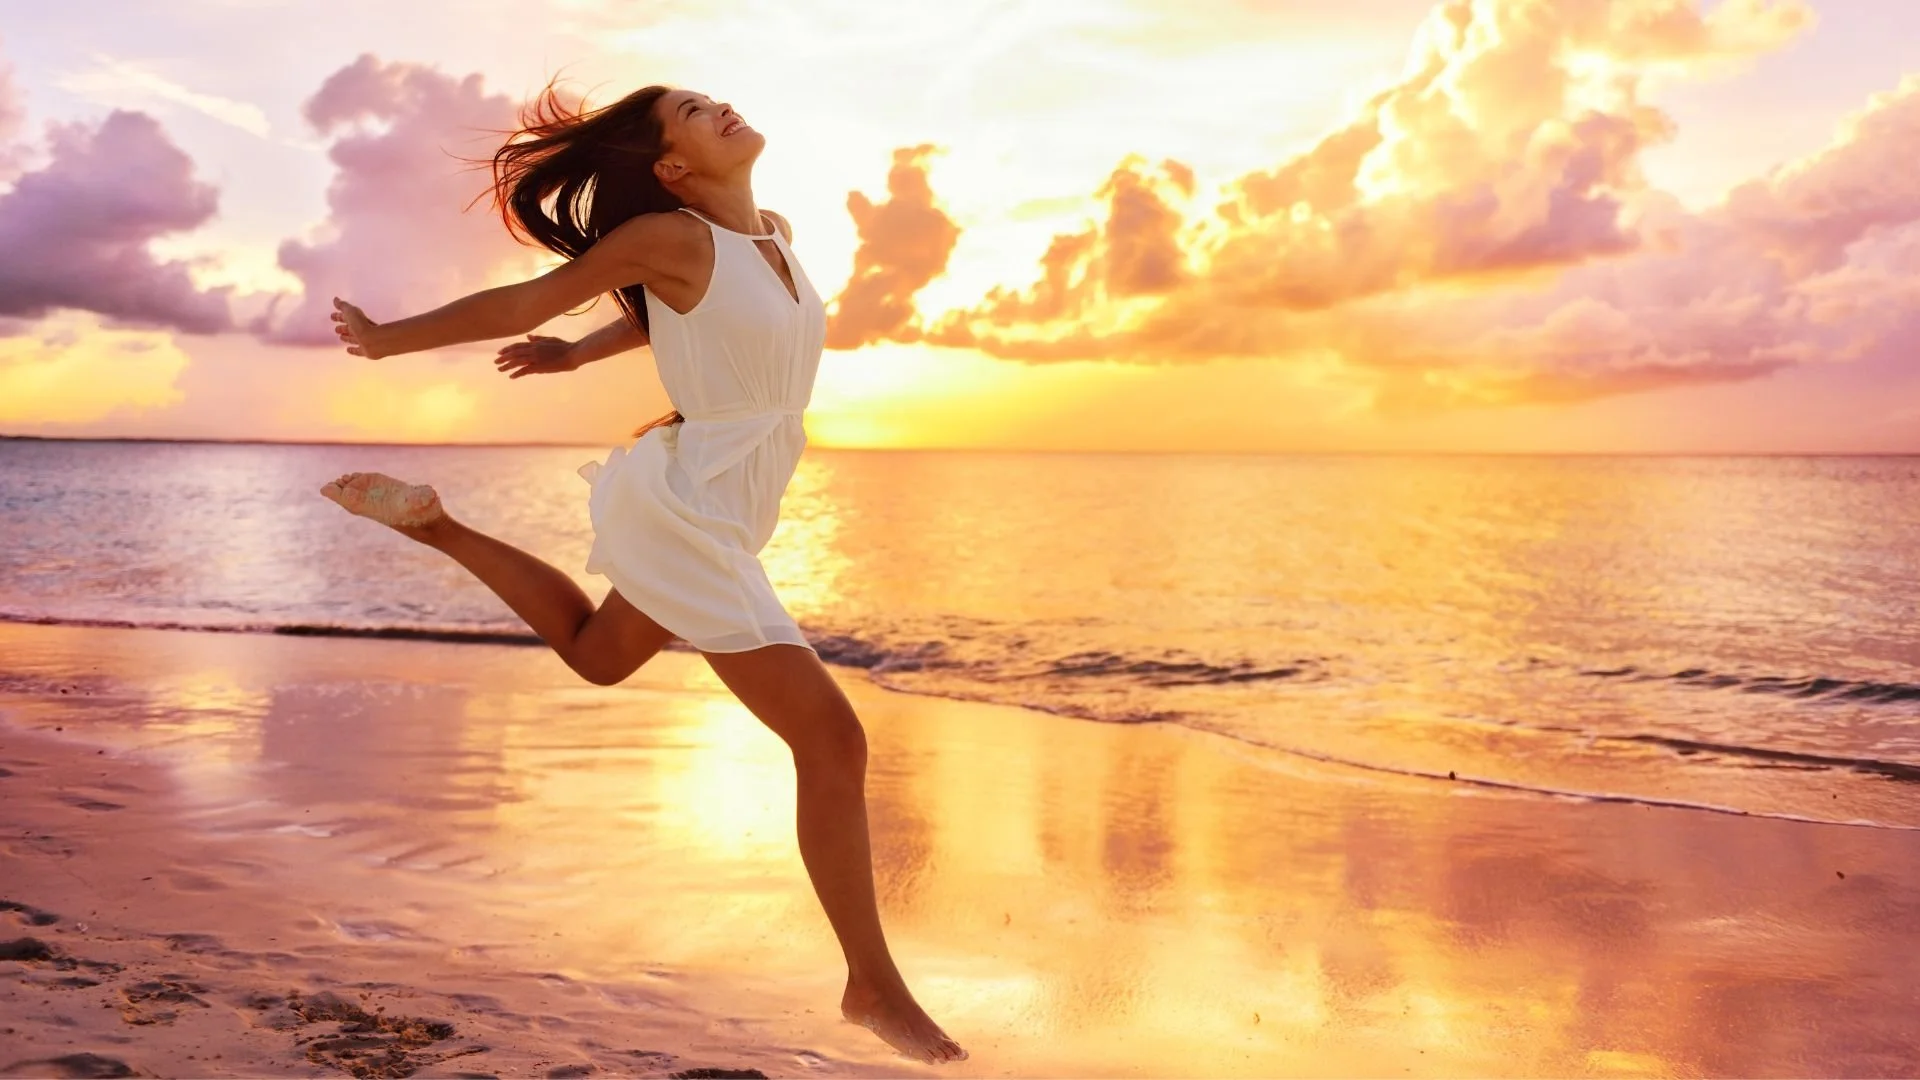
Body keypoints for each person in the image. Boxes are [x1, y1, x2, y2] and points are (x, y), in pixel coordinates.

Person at [320, 84, 966, 1065]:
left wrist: (579, 357)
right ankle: (872, 986)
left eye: (714, 101)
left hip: (736, 497)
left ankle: (438, 526)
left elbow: (688, 317)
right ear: (670, 169)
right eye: (700, 115)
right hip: (698, 501)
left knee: (599, 654)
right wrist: (384, 338)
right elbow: (523, 298)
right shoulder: (665, 234)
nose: (726, 110)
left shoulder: (771, 234)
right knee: (831, 741)